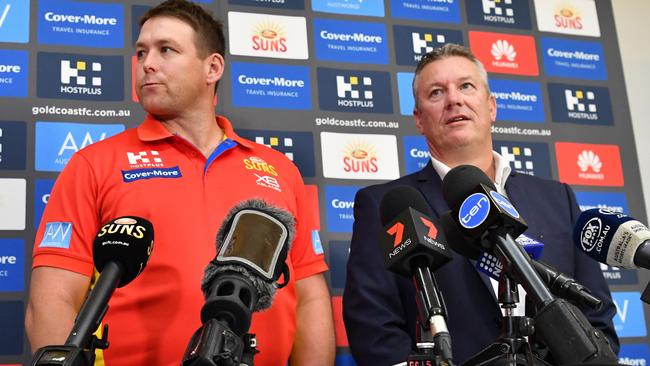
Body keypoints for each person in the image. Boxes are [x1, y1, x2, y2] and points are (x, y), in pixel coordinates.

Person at [25, 1, 335, 365]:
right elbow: (52, 300)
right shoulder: (94, 164)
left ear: (213, 68)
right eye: (141, 52)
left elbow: (310, 298)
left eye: (166, 50)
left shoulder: (280, 169)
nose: (147, 64)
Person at [342, 44, 619, 365]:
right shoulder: (384, 205)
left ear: (491, 107)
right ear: (418, 119)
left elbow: (596, 314)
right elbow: (373, 328)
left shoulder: (558, 198)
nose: (454, 99)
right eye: (436, 93)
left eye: (466, 86)